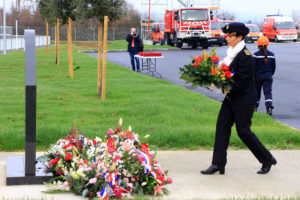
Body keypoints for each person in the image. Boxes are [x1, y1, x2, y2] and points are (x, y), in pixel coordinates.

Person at [200, 22, 277, 175]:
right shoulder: (231, 54)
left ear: (240, 37)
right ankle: (218, 164)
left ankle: (267, 159)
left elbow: (241, 81)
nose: (227, 38)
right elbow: (224, 74)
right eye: (227, 35)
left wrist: (221, 86)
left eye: (231, 36)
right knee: (221, 128)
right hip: (231, 99)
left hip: (244, 100)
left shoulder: (246, 56)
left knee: (243, 131)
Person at [253, 36, 276, 115]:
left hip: (258, 77)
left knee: (256, 92)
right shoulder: (272, 55)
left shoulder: (256, 55)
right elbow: (273, 68)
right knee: (268, 92)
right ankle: (269, 108)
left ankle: (255, 107)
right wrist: (269, 74)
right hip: (268, 76)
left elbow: (253, 67)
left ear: (258, 45)